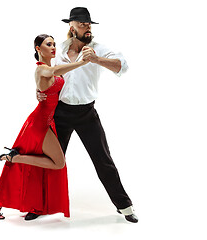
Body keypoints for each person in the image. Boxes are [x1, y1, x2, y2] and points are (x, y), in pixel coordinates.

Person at [37, 7, 138, 223]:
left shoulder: (98, 49)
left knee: (103, 160)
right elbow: (45, 74)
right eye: (82, 23)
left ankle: (125, 206)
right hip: (60, 112)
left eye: (89, 23)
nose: (87, 27)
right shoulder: (59, 50)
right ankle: (39, 205)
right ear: (71, 27)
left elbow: (123, 66)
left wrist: (97, 59)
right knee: (51, 159)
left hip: (86, 113)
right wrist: (40, 91)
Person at [0, 34, 89, 220]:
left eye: (54, 44)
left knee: (43, 168)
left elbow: (52, 80)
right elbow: (54, 72)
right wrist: (82, 62)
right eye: (48, 44)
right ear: (38, 49)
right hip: (39, 124)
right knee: (59, 163)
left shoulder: (48, 69)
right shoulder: (42, 70)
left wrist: (39, 91)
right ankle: (16, 158)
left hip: (46, 121)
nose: (53, 47)